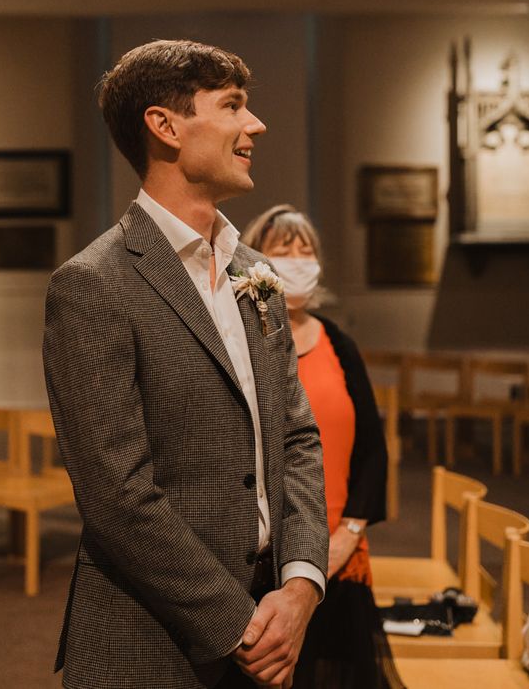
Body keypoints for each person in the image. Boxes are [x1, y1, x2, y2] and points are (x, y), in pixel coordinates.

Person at [42, 41, 329, 689]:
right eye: (232, 106)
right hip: (150, 638)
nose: (254, 125)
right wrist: (241, 625)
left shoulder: (257, 274)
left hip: (274, 619)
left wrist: (302, 584)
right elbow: (117, 497)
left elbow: (297, 438)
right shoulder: (93, 284)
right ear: (164, 126)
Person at [242, 204, 405, 688]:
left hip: (339, 551)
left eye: (306, 249)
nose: (297, 260)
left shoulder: (340, 344)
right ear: (255, 260)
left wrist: (350, 532)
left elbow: (372, 452)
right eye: (282, 250)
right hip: (263, 559)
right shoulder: (243, 340)